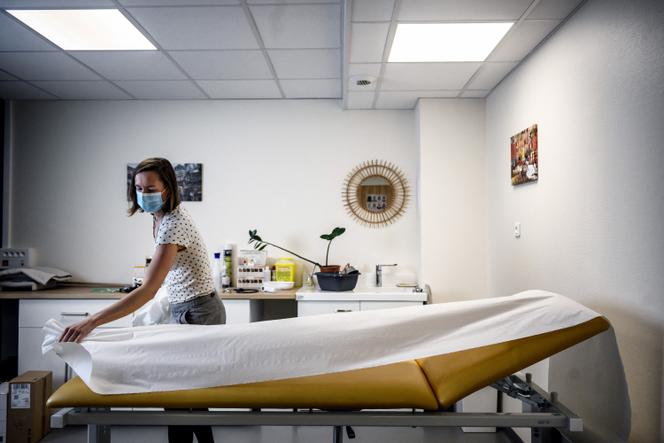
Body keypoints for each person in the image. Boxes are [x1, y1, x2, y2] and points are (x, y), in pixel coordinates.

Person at [58, 157, 225, 443]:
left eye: (150, 189)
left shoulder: (173, 224)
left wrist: (91, 322)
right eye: (138, 188)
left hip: (199, 312)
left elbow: (148, 290)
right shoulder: (159, 217)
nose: (143, 195)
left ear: (167, 189)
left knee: (181, 393)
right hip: (186, 308)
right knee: (183, 395)